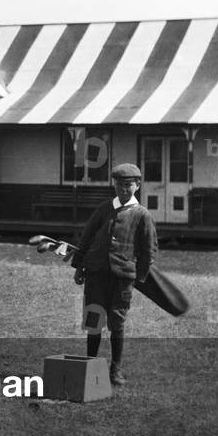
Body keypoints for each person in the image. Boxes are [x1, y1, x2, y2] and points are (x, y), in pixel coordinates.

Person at [70, 162, 158, 386]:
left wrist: (139, 276)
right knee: (93, 319)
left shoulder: (142, 215)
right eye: (119, 185)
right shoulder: (103, 209)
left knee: (117, 322)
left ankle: (115, 370)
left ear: (137, 185)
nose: (123, 189)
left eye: (128, 185)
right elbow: (87, 237)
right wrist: (79, 266)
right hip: (96, 274)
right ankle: (89, 364)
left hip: (122, 278)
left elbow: (149, 250)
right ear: (114, 185)